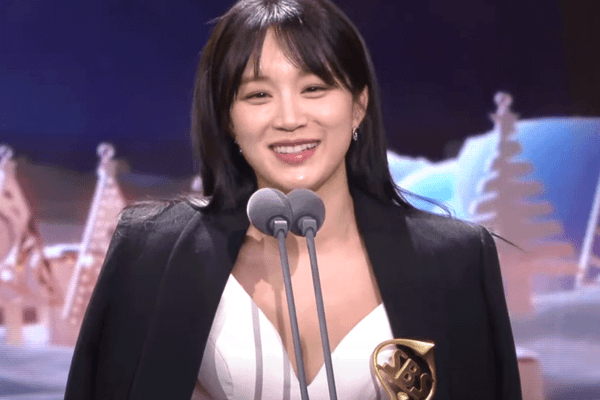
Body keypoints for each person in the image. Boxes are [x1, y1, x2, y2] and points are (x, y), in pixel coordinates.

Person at [64, 0, 522, 399]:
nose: (289, 118)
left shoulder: (454, 261)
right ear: (227, 118)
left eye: (314, 88)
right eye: (258, 94)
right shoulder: (152, 254)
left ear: (358, 105)